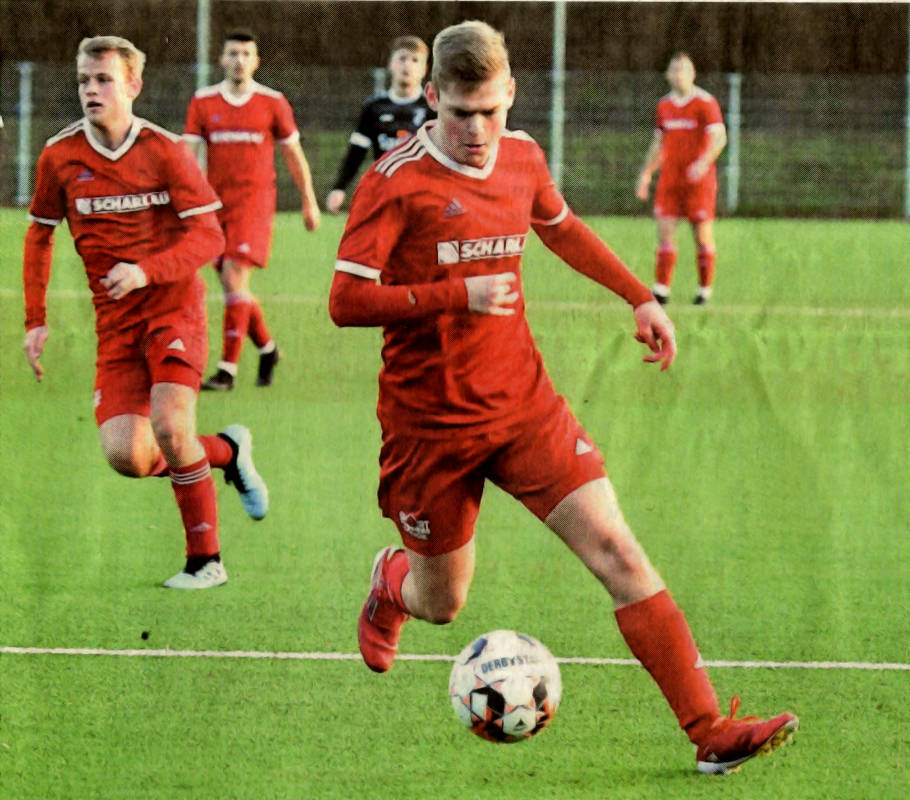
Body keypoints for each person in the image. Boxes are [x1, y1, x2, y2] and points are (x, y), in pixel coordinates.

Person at [330, 21, 797, 774]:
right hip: (428, 428)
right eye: (459, 113)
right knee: (443, 601)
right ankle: (391, 584)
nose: (478, 131)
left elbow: (561, 226)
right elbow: (345, 301)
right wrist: (456, 294)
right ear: (430, 99)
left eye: (490, 110)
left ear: (511, 93)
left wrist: (638, 296)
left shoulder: (522, 158)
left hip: (523, 407)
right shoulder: (395, 180)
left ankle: (709, 730)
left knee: (618, 550)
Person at [23, 36, 269, 589]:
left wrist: (146, 270)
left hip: (174, 310)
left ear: (133, 85)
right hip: (115, 326)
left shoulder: (164, 150)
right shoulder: (59, 156)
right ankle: (227, 453)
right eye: (84, 79)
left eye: (103, 79)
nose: (91, 89)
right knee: (128, 456)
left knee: (169, 425)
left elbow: (210, 236)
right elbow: (38, 236)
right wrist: (35, 319)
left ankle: (206, 561)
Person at [184, 29, 321, 391]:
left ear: (256, 61)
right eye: (233, 53)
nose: (239, 60)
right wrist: (185, 204)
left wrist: (309, 200)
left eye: (246, 53)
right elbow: (188, 156)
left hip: (255, 206)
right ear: (222, 59)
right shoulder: (203, 101)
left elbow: (293, 154)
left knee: (233, 278)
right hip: (215, 207)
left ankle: (226, 370)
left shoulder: (272, 101)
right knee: (234, 286)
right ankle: (268, 348)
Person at [635, 52, 727, 305]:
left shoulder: (705, 103)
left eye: (683, 70)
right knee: (664, 231)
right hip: (671, 180)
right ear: (667, 75)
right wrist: (646, 173)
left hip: (699, 181)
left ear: (692, 74)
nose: (678, 75)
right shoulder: (664, 106)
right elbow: (658, 144)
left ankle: (704, 290)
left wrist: (703, 162)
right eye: (673, 71)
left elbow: (720, 138)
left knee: (702, 236)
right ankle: (662, 289)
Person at [325, 36, 432, 215]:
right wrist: (339, 187)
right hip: (385, 194)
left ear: (424, 69)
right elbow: (356, 153)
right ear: (391, 63)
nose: (408, 65)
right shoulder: (373, 107)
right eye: (402, 58)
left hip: (424, 194)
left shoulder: (433, 108)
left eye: (415, 60)